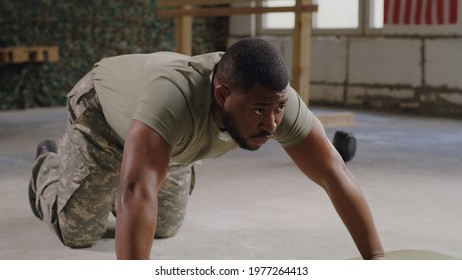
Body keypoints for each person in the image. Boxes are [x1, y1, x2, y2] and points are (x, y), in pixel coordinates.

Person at [29, 37, 385, 260]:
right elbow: (137, 191)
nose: (272, 124)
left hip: (169, 139)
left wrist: (377, 260)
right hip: (104, 114)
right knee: (78, 232)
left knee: (162, 228)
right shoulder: (172, 99)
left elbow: (333, 172)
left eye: (278, 109)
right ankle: (50, 161)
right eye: (260, 110)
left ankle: (131, 168)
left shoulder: (275, 101)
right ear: (222, 95)